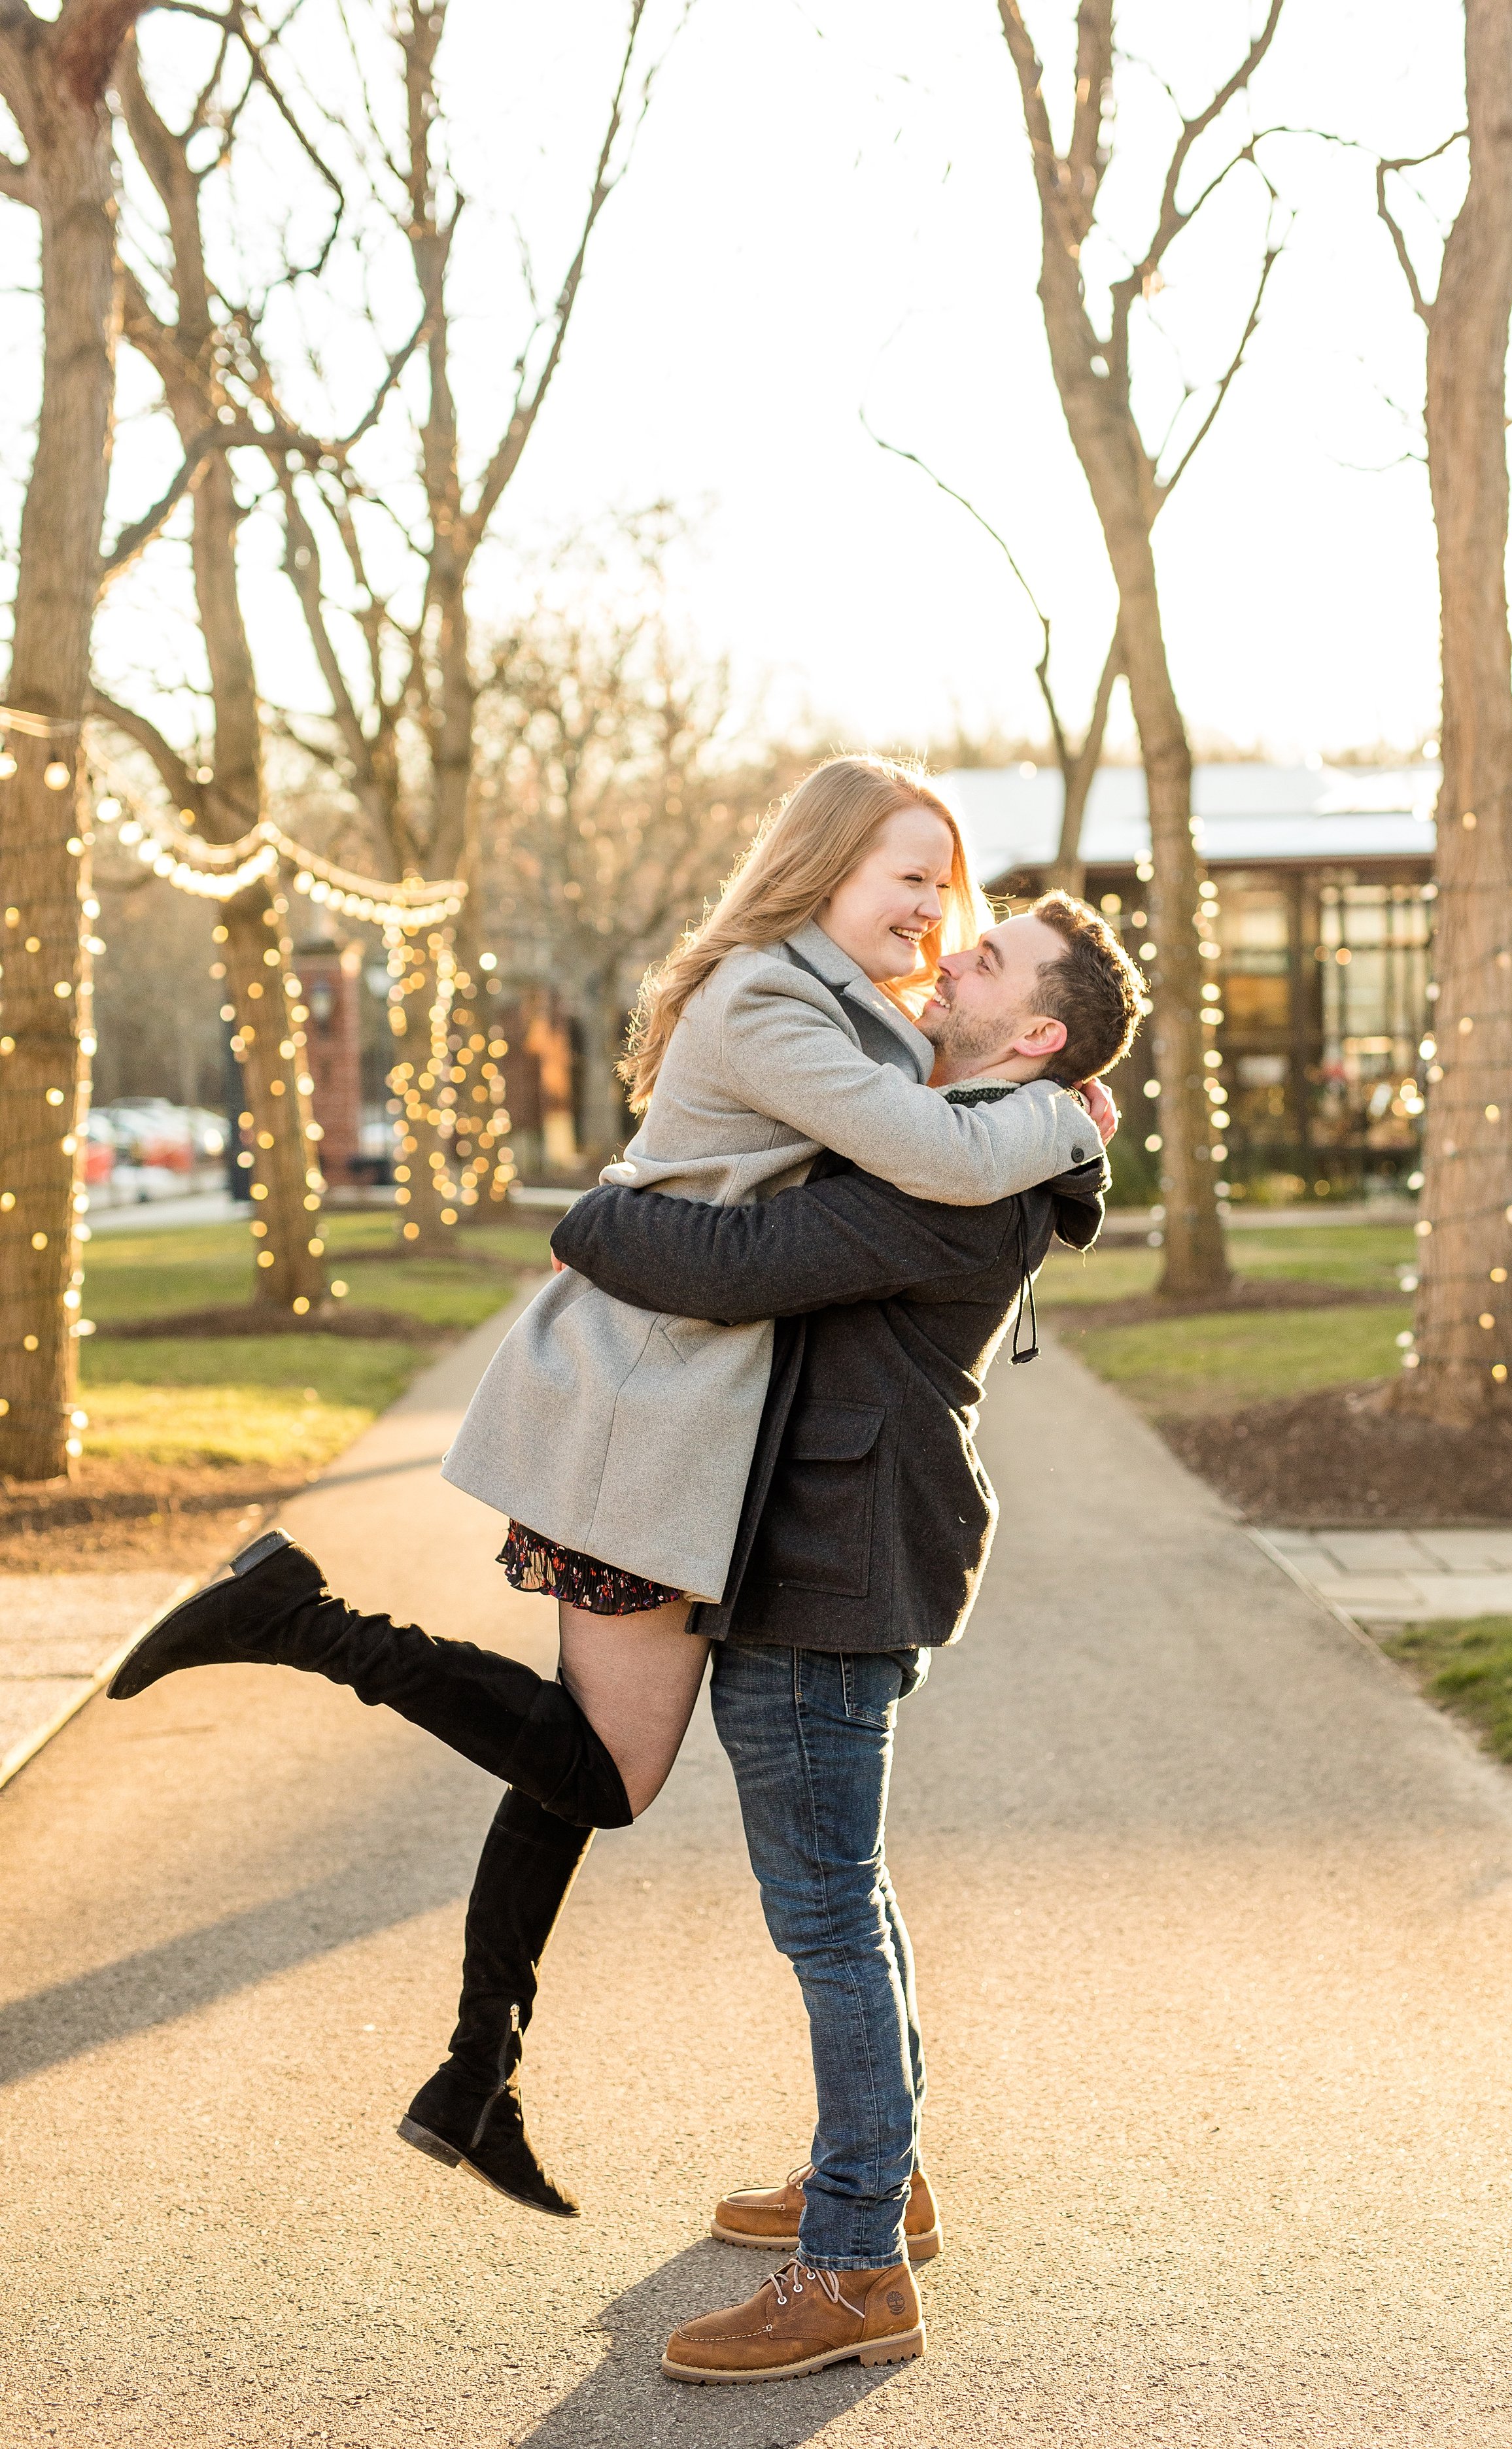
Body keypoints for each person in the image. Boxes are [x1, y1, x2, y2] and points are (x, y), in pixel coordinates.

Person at [107, 759, 1105, 2215]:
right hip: (653, 1404)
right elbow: (924, 1156)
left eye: (943, 890)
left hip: (689, 1410)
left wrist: (1043, 1093)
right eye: (908, 876)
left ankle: (475, 2074)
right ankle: (299, 1620)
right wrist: (1076, 1119)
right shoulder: (772, 998)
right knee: (603, 1770)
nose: (931, 914)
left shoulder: (842, 1004)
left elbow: (918, 1142)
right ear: (824, 865)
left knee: (574, 1751)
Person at [545, 888, 1141, 2382]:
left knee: (821, 1913)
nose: (953, 957)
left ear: (1039, 1034)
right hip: (837, 1547)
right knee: (844, 1897)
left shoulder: (955, 1179)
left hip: (833, 1563)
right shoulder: (952, 1139)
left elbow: (734, 1264)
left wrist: (596, 1213)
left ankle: (858, 2265)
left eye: (987, 961)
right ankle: (871, 2174)